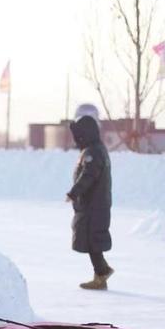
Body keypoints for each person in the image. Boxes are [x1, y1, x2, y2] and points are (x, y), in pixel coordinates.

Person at [65, 104, 113, 290]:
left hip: (94, 206)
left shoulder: (93, 152)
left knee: (93, 241)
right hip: (94, 205)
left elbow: (89, 176)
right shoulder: (95, 149)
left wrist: (73, 193)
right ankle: (101, 272)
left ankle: (101, 273)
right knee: (93, 240)